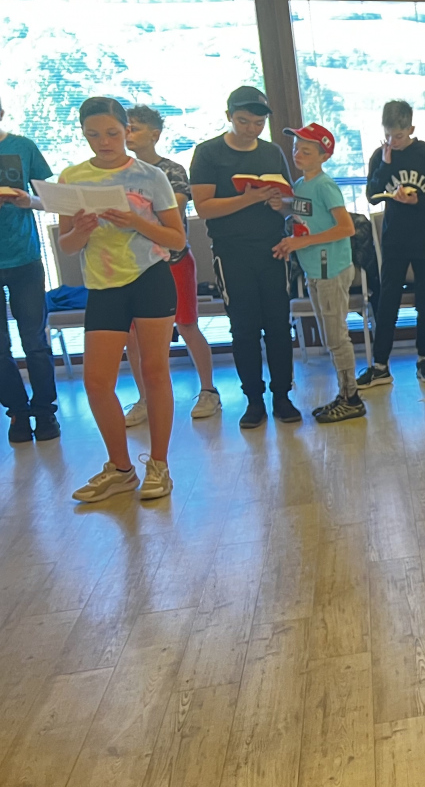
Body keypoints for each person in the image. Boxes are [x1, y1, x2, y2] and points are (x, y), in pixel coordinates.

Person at [58, 97, 186, 502]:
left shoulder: (150, 176)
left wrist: (135, 221)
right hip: (103, 285)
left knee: (154, 371)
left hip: (150, 279)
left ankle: (159, 466)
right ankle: (121, 469)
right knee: (96, 382)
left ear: (126, 131)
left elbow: (177, 239)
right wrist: (81, 230)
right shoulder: (72, 177)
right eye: (93, 134)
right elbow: (67, 246)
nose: (104, 141)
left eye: (112, 133)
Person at [189, 84, 299, 428]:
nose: (251, 129)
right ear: (229, 117)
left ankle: (282, 396)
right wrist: (248, 199)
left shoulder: (272, 152)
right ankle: (253, 400)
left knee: (279, 326)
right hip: (231, 252)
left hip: (272, 249)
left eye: (258, 123)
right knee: (244, 329)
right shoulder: (208, 153)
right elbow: (204, 207)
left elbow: (292, 204)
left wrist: (281, 203)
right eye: (244, 121)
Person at [121, 105, 222, 424]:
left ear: (155, 134)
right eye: (125, 128)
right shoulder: (118, 172)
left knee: (187, 325)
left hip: (173, 261)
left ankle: (208, 391)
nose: (128, 134)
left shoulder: (172, 170)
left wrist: (131, 214)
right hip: (132, 265)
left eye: (135, 128)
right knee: (132, 335)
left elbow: (171, 211)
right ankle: (145, 399)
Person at [274, 123, 363, 423]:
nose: (298, 154)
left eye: (307, 151)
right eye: (296, 148)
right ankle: (344, 393)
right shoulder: (301, 184)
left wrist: (303, 242)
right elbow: (305, 217)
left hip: (331, 269)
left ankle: (351, 398)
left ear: (324, 156)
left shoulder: (325, 185)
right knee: (330, 336)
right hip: (314, 269)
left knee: (336, 337)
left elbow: (346, 228)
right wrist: (283, 206)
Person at [362, 99, 425, 388]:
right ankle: (380, 364)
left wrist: (417, 201)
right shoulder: (381, 156)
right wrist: (385, 165)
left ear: (411, 129)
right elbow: (372, 196)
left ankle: (424, 359)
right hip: (394, 240)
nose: (393, 141)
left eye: (398, 136)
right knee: (387, 300)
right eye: (388, 135)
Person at [0, 101, 59, 444]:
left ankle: (45, 410)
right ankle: (17, 413)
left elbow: (49, 200)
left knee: (35, 342)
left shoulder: (23, 146)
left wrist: (28, 201)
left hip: (25, 259)